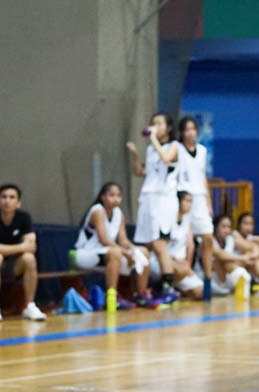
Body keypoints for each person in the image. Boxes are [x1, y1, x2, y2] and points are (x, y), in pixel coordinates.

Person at [74, 182, 158, 310]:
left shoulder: (118, 213)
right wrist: (125, 252)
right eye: (111, 195)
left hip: (107, 253)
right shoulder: (98, 210)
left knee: (143, 252)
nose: (116, 199)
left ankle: (141, 296)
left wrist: (134, 250)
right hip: (85, 254)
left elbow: (123, 240)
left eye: (118, 195)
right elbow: (104, 240)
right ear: (103, 197)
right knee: (115, 253)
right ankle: (111, 298)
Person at [127, 112, 180, 303]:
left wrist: (152, 139)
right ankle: (143, 291)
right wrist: (134, 155)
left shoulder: (174, 146)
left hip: (163, 200)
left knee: (160, 244)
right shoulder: (151, 150)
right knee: (146, 244)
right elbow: (141, 172)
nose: (155, 127)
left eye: (159, 124)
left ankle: (168, 288)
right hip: (148, 199)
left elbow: (166, 158)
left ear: (169, 128)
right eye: (153, 124)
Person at [0, 184, 46, 322]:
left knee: (29, 258)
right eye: (4, 197)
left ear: (18, 203)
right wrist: (21, 246)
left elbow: (31, 247)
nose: (7, 201)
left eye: (12, 197)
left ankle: (30, 306)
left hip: (13, 265)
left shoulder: (24, 217)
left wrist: (0, 246)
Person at [177, 116, 215, 293]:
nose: (189, 132)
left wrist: (208, 202)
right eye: (186, 129)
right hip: (183, 197)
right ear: (181, 132)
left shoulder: (202, 150)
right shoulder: (176, 149)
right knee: (187, 241)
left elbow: (203, 177)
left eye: (192, 128)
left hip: (200, 198)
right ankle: (184, 277)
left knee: (207, 237)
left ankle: (207, 277)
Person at [149, 191, 203, 299]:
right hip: (161, 262)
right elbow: (157, 245)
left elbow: (190, 246)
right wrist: (175, 260)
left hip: (181, 265)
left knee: (200, 292)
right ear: (177, 202)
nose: (189, 204)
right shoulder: (166, 219)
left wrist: (187, 264)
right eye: (186, 201)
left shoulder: (187, 220)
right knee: (180, 269)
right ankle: (161, 290)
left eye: (191, 201)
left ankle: (169, 288)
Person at [210, 214, 259, 295]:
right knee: (226, 261)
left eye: (229, 227)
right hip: (214, 278)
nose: (226, 230)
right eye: (223, 227)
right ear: (215, 227)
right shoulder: (209, 240)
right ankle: (252, 283)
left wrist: (252, 256)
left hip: (229, 276)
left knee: (250, 256)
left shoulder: (230, 239)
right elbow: (221, 255)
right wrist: (243, 258)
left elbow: (254, 247)